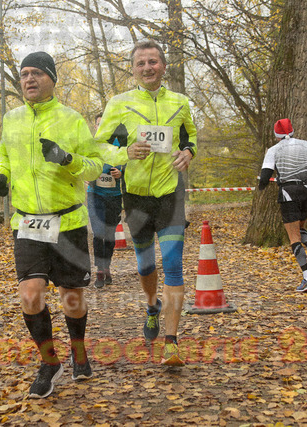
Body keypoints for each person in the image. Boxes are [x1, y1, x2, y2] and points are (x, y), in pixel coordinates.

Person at [0, 51, 102, 398]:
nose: (29, 79)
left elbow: (95, 166)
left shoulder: (72, 119)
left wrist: (67, 159)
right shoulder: (12, 119)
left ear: (52, 79)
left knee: (72, 297)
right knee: (29, 294)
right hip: (27, 221)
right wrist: (1, 175)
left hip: (67, 220)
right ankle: (49, 362)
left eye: (37, 73)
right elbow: (4, 154)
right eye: (24, 73)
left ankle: (79, 352)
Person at [95, 40, 197, 366]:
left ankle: (171, 343)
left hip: (170, 194)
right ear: (133, 69)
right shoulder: (119, 103)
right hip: (136, 197)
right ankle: (152, 306)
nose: (147, 68)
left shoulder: (180, 102)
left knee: (174, 265)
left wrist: (188, 153)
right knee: (145, 266)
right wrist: (124, 152)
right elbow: (97, 146)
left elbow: (190, 137)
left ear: (163, 66)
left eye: (153, 61)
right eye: (141, 63)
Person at [258, 118, 307, 293]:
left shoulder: (274, 150)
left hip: (288, 193)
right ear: (293, 131)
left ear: (276, 135)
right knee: (300, 228)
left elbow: (265, 177)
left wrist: (261, 185)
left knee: (293, 237)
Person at [87, 113, 125, 288]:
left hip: (114, 196)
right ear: (95, 126)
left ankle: (107, 266)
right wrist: (86, 176)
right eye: (99, 124)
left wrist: (120, 173)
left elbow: (128, 165)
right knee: (98, 233)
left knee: (109, 234)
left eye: (105, 124)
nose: (101, 127)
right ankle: (99, 270)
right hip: (95, 194)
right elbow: (82, 165)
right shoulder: (90, 144)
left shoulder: (119, 144)